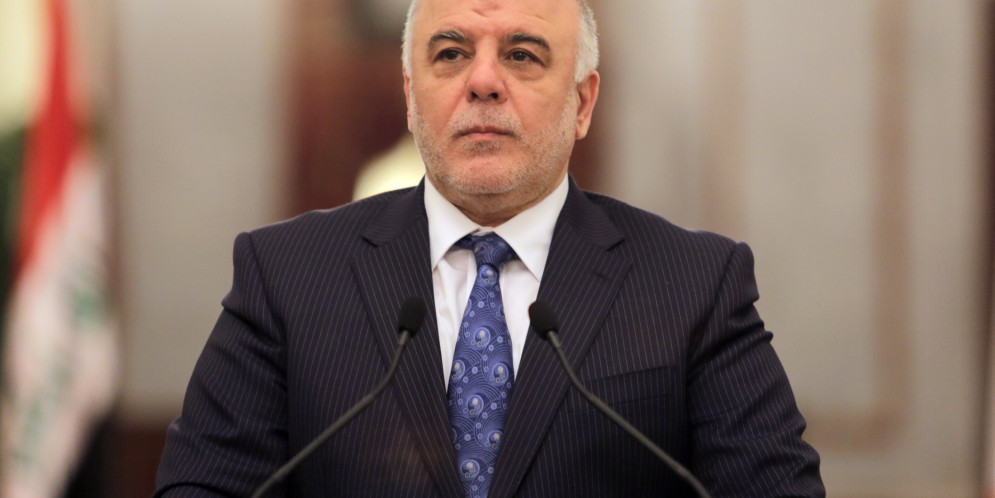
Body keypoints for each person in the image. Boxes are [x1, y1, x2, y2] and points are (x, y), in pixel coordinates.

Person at [154, 0, 824, 496]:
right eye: (449, 54)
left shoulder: (694, 285)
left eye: (522, 55)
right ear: (411, 96)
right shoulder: (286, 276)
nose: (482, 81)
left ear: (582, 103)